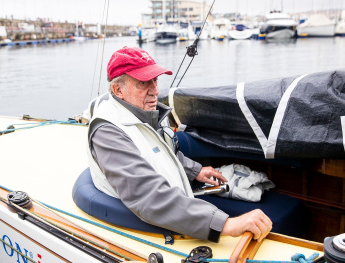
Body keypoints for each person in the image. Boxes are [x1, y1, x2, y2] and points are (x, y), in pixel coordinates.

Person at [87, 46, 272, 242]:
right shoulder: (107, 131)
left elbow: (161, 151)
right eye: (143, 83)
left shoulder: (143, 113)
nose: (155, 91)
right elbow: (148, 196)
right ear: (118, 90)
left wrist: (195, 170)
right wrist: (226, 225)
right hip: (150, 231)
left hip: (175, 214)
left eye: (155, 80)